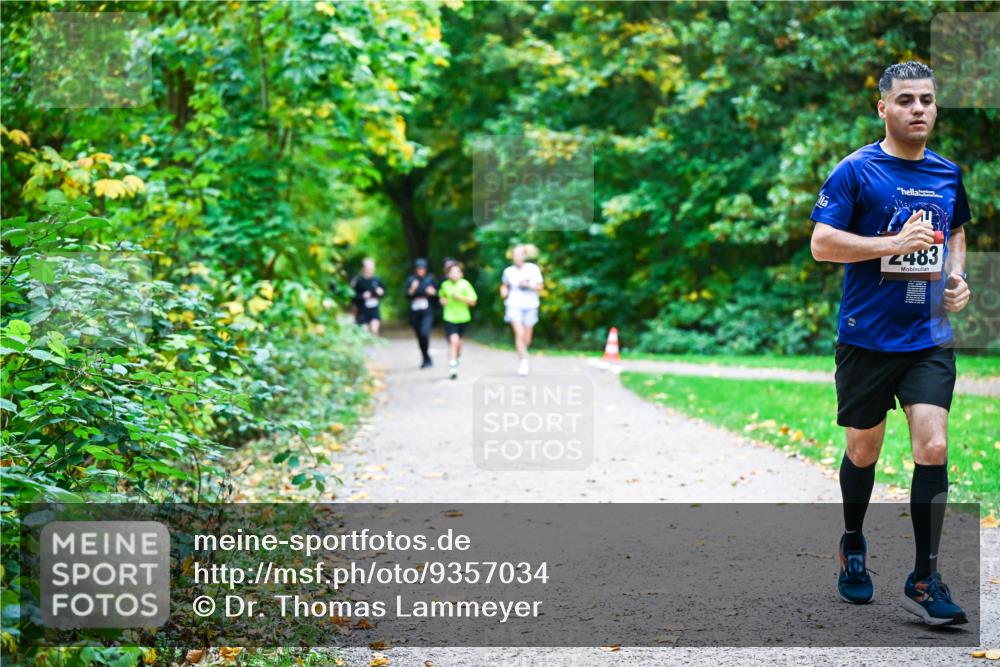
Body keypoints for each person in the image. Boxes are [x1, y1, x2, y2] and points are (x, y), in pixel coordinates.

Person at [810, 61, 971, 625]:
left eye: (926, 99)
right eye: (906, 100)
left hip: (927, 338)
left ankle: (925, 577)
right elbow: (822, 243)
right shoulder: (856, 170)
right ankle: (853, 542)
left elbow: (955, 230)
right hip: (867, 338)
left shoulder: (947, 172)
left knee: (933, 446)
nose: (918, 109)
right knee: (863, 451)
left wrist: (956, 277)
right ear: (883, 108)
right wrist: (891, 244)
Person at [500, 244, 543, 376]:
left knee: (526, 338)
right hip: (514, 305)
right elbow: (504, 285)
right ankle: (523, 362)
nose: (517, 257)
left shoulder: (533, 269)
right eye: (515, 255)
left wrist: (528, 284)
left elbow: (540, 287)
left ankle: (523, 354)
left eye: (520, 254)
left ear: (524, 256)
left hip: (531, 306)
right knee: (519, 333)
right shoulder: (508, 271)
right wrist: (504, 291)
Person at [438, 261, 478, 379]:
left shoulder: (465, 284)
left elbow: (473, 302)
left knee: (458, 343)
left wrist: (460, 298)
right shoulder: (445, 285)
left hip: (463, 317)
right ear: (448, 274)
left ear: (461, 273)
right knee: (453, 340)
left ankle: (456, 357)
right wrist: (442, 301)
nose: (454, 274)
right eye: (452, 272)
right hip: (449, 317)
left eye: (457, 272)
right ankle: (453, 366)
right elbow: (441, 296)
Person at [405, 258, 437, 368]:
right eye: (419, 268)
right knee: (419, 336)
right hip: (415, 312)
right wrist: (412, 289)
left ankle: (427, 357)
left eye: (422, 268)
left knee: (424, 333)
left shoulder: (430, 279)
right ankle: (425, 358)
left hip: (427, 312)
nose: (421, 270)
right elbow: (406, 295)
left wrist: (433, 292)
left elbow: (438, 294)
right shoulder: (411, 280)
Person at [349, 257, 385, 335]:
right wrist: (362, 296)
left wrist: (381, 292)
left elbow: (384, 293)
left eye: (372, 267)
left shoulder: (377, 280)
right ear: (363, 268)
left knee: (374, 330)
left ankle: (375, 342)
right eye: (368, 267)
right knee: (364, 334)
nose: (370, 269)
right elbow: (351, 296)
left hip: (374, 310)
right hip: (361, 311)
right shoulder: (357, 280)